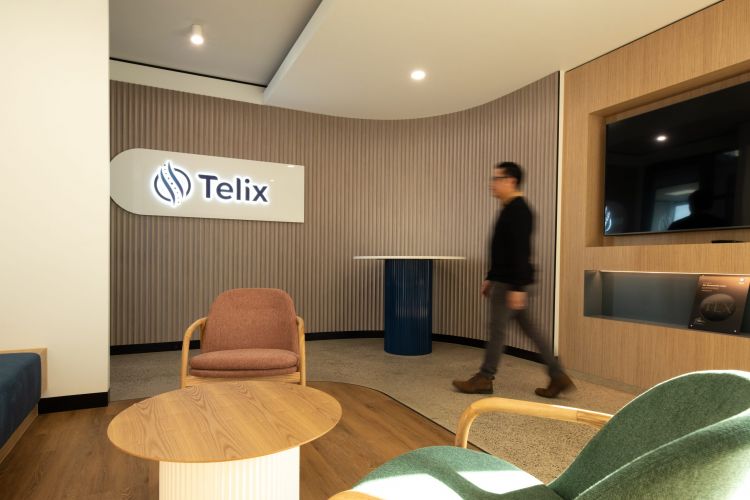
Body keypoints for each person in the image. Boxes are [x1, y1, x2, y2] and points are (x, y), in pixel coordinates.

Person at [453, 161, 574, 398]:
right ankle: (558, 375)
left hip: (511, 283)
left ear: (510, 181)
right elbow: (502, 250)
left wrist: (517, 287)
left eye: (496, 179)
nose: (492, 185)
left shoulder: (519, 211)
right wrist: (490, 277)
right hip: (508, 280)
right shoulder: (510, 208)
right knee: (531, 330)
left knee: (497, 331)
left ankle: (485, 378)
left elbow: (520, 251)